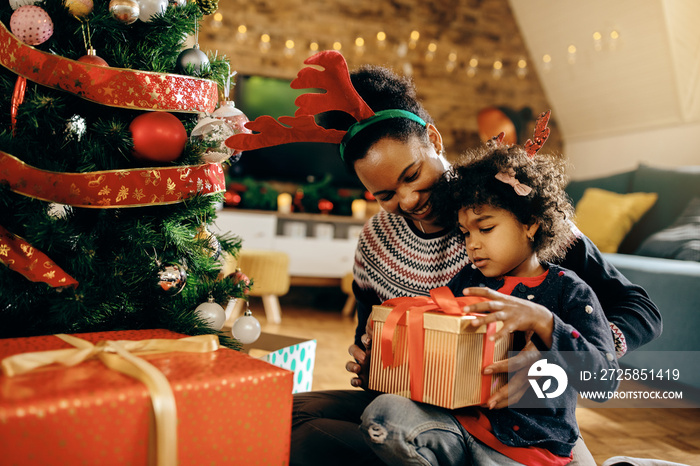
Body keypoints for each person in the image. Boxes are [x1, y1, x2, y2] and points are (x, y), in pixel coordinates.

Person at [225, 51, 661, 466]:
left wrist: (558, 365)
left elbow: (639, 311)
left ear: (433, 140)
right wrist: (371, 358)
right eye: (385, 194)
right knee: (285, 417)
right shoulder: (377, 238)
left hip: (518, 423)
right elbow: (370, 332)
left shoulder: (507, 210)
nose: (410, 199)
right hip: (418, 407)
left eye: (412, 175)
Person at [357, 130, 621, 465]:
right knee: (383, 417)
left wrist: (544, 322)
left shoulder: (571, 292)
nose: (472, 244)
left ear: (531, 224)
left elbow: (604, 382)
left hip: (529, 451)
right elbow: (436, 347)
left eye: (486, 229)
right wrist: (383, 361)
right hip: (458, 427)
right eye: (466, 233)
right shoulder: (468, 280)